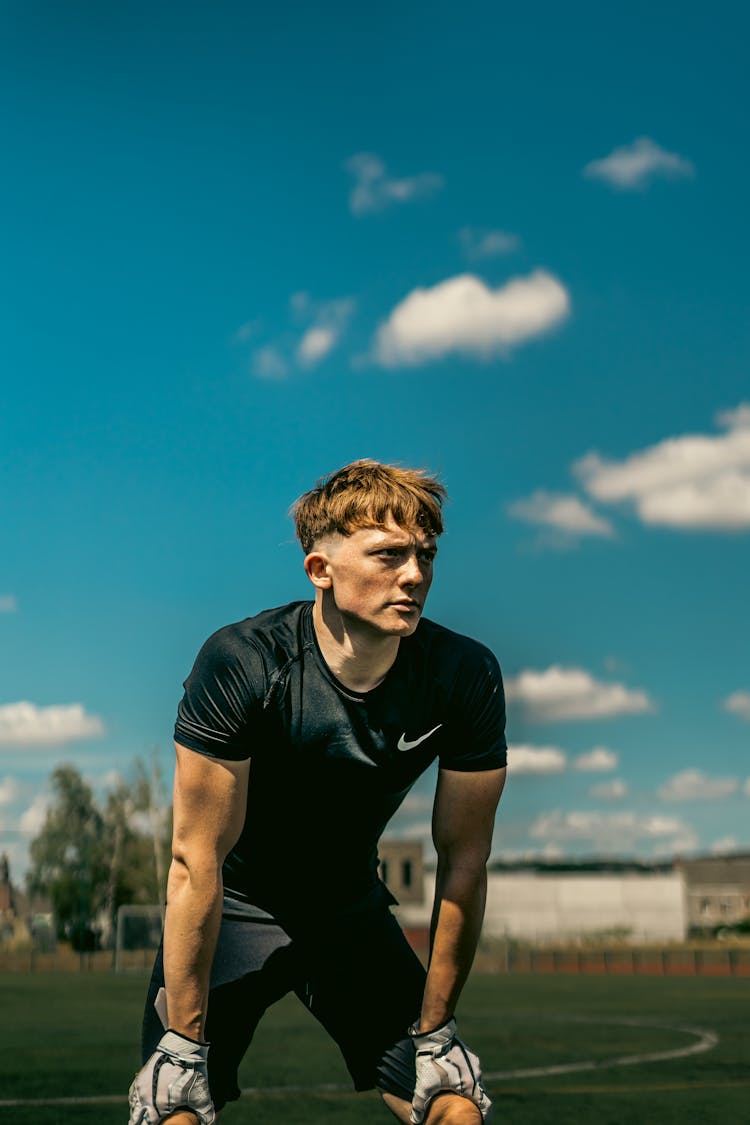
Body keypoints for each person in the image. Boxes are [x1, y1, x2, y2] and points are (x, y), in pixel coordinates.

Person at [129, 459, 507, 1125]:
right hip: (235, 908)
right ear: (320, 570)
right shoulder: (244, 661)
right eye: (388, 554)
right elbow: (196, 861)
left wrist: (438, 1027)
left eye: (425, 554)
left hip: (348, 909)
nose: (415, 574)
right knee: (172, 1111)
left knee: (453, 1105)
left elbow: (465, 860)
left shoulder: (463, 674)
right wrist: (185, 1045)